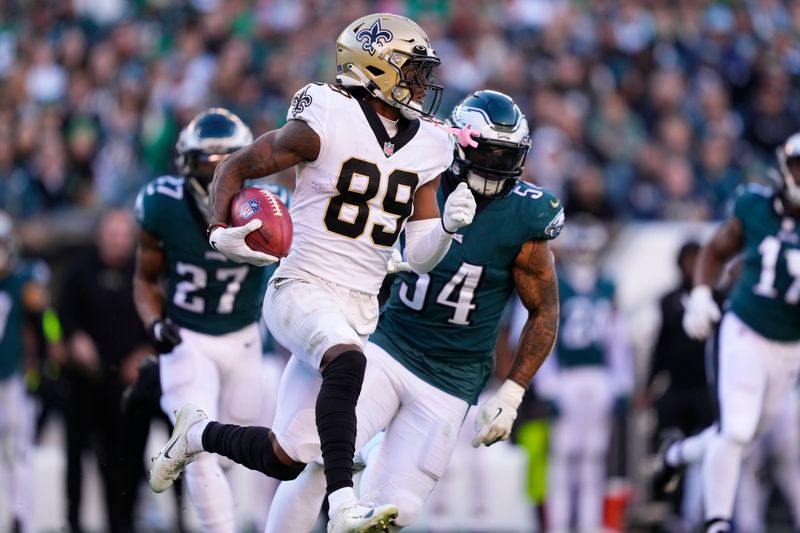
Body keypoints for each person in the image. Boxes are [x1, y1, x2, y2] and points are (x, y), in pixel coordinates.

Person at [148, 12, 477, 533]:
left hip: (358, 305)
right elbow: (236, 165)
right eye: (411, 69)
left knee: (287, 457)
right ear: (375, 66)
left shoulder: (432, 143)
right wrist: (218, 228)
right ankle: (344, 505)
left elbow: (418, 254)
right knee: (347, 364)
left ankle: (195, 435)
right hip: (299, 286)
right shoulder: (328, 112)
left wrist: (449, 228)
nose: (421, 82)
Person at [262, 89, 563, 532]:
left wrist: (513, 393)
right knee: (316, 462)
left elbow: (544, 309)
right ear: (460, 146)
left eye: (506, 158)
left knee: (394, 512)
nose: (496, 170)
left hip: (453, 378)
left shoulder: (524, 214)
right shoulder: (416, 172)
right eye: (489, 156)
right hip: (387, 345)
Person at [133, 108, 289, 532]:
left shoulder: (271, 204)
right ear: (186, 165)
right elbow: (145, 277)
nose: (217, 180)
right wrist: (153, 323)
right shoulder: (162, 204)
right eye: (206, 167)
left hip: (243, 339)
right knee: (196, 447)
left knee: (229, 451)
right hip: (188, 339)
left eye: (227, 165)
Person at [676, 131, 800, 533]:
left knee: (743, 435)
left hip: (789, 347)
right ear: (785, 170)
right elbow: (716, 249)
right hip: (746, 329)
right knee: (737, 431)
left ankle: (676, 456)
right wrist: (699, 293)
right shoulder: (755, 205)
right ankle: (717, 525)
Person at [522, 216, 633, 533]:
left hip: (598, 378)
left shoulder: (607, 285)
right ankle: (557, 525)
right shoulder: (556, 285)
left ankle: (587, 524)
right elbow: (545, 337)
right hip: (567, 378)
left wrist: (621, 383)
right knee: (564, 454)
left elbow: (617, 340)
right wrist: (548, 385)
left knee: (593, 457)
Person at [59, 209, 152, 533]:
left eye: (122, 235)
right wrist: (73, 338)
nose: (116, 241)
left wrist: (143, 353)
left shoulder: (144, 275)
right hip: (86, 380)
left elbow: (160, 323)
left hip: (126, 384)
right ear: (100, 235)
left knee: (124, 461)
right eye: (111, 234)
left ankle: (123, 523)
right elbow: (61, 315)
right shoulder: (78, 271)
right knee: (76, 458)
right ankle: (72, 522)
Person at [0, 211, 49, 533]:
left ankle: (23, 521)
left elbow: (45, 327)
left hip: (14, 379)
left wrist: (38, 371)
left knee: (19, 452)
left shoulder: (25, 281)